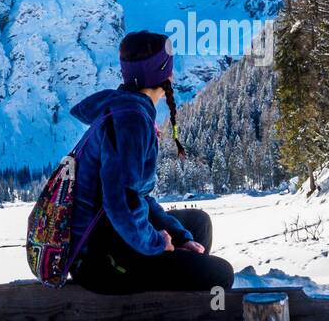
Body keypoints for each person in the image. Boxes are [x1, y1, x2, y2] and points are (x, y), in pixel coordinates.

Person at [66, 30, 234, 294]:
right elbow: (120, 203)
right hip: (99, 260)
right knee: (220, 275)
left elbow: (137, 197)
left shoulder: (127, 108)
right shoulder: (131, 121)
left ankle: (172, 295)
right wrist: (157, 243)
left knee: (196, 225)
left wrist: (179, 237)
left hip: (108, 237)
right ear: (163, 74)